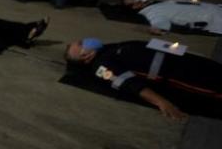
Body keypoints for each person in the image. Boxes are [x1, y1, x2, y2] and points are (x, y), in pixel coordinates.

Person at [63, 38, 222, 120]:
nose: (86, 40)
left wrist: (182, 51)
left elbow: (150, 46)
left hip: (190, 62)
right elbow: (128, 84)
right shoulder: (102, 67)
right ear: (86, 56)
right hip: (185, 77)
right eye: (82, 43)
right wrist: (161, 102)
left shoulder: (109, 48)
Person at [124, 0, 222, 35]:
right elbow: (161, 26)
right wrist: (156, 29)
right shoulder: (153, 13)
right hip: (216, 17)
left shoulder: (162, 4)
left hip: (215, 13)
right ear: (136, 6)